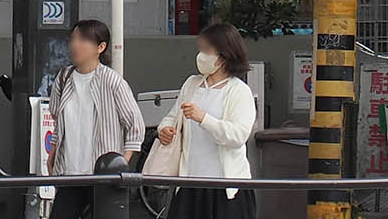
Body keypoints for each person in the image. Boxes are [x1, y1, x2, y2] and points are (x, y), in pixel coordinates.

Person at [151, 23, 258, 219]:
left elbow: (238, 136)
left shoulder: (238, 91)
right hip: (189, 182)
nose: (201, 56)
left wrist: (204, 118)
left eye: (207, 50)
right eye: (200, 50)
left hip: (226, 188)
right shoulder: (192, 84)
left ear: (224, 55)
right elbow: (173, 116)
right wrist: (165, 129)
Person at [47, 20, 145, 219]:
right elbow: (58, 119)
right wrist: (53, 153)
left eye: (83, 40)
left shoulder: (112, 81)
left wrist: (119, 164)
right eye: (73, 39)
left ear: (100, 47)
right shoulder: (64, 77)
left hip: (102, 176)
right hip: (69, 172)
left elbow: (136, 126)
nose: (75, 45)